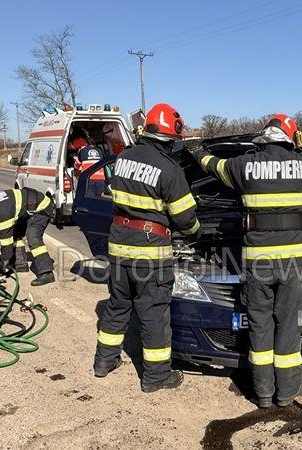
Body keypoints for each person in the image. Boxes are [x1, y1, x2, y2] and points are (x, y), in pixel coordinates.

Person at [186, 114, 302, 408]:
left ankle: (263, 393)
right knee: (288, 323)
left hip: (258, 260)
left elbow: (213, 165)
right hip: (294, 261)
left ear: (264, 138)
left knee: (259, 324)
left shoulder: (243, 165)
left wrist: (197, 151)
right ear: (289, 139)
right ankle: (286, 392)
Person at [94, 103, 200, 393]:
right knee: (153, 314)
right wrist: (196, 233)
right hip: (150, 252)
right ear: (170, 138)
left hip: (119, 245)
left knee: (118, 305)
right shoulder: (169, 168)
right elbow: (185, 218)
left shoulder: (123, 158)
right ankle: (156, 377)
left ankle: (103, 362)